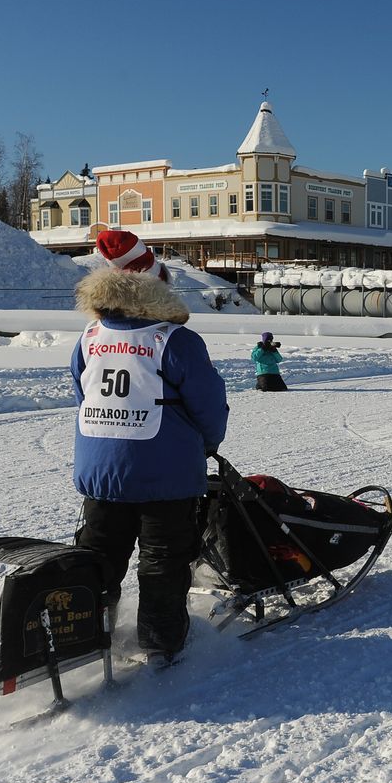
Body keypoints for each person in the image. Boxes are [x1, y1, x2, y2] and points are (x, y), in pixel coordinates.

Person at [71, 230, 229, 666]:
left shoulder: (90, 337)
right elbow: (209, 406)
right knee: (163, 558)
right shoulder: (173, 340)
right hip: (165, 475)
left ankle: (84, 638)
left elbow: (82, 393)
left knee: (98, 556)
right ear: (156, 289)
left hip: (101, 472)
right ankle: (161, 643)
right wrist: (206, 445)